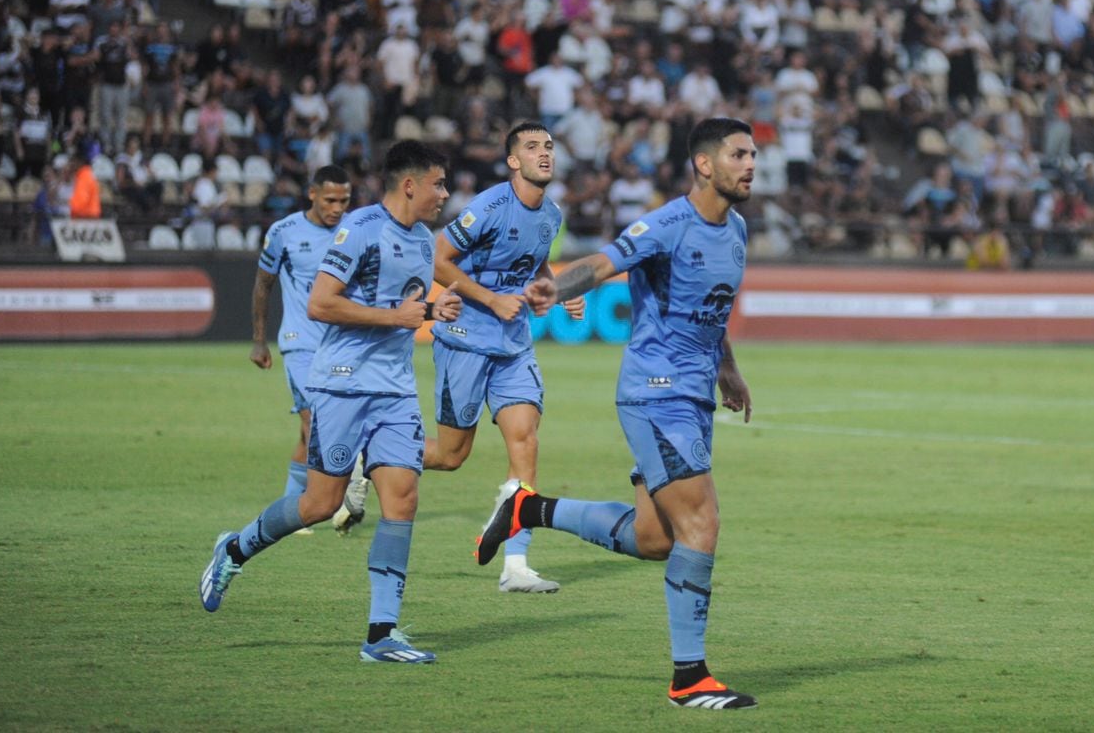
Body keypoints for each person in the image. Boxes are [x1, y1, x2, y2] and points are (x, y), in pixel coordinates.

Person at [476, 117, 759, 710]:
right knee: (701, 524)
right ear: (704, 165)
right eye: (739, 154)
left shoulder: (735, 230)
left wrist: (727, 366)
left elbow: (713, 311)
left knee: (655, 539)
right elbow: (604, 263)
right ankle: (690, 678)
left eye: (753, 155)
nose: (751, 164)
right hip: (657, 395)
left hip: (694, 394)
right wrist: (556, 287)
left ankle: (530, 506)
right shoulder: (667, 224)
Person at [200, 142, 463, 666]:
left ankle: (381, 635)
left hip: (393, 387)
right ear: (410, 184)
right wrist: (401, 319)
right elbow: (321, 303)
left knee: (403, 498)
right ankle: (234, 550)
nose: (445, 193)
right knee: (319, 505)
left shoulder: (421, 240)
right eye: (438, 183)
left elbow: (399, 303)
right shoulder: (362, 229)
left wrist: (433, 306)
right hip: (342, 382)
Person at [423, 123, 584, 593]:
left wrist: (559, 293)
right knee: (452, 456)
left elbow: (533, 267)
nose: (545, 154)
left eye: (550, 146)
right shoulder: (490, 206)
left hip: (512, 346)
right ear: (514, 161)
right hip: (464, 341)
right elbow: (439, 257)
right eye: (532, 148)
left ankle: (516, 563)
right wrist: (492, 300)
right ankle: (372, 454)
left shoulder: (551, 215)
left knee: (525, 438)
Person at [250, 166, 354, 512]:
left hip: (342, 342)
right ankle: (334, 501)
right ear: (312, 195)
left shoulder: (354, 230)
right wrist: (259, 340)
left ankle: (288, 505)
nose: (337, 208)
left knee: (310, 428)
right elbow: (263, 284)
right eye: (330, 200)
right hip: (300, 342)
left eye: (344, 200)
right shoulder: (284, 231)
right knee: (315, 419)